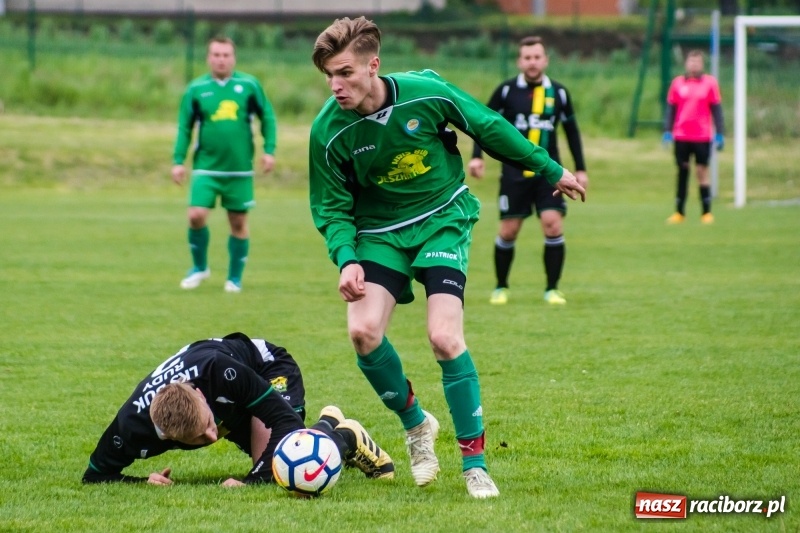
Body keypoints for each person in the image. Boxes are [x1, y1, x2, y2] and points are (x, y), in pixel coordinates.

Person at [308, 17, 586, 499]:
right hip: (379, 233)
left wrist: (548, 168)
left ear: (374, 66)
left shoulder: (425, 92)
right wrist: (346, 257)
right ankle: (417, 426)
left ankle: (474, 465)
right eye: (329, 75)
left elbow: (489, 126)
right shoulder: (327, 132)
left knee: (443, 336)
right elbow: (331, 206)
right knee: (363, 331)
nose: (336, 85)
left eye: (346, 72)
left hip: (441, 218)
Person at [82, 332, 394, 485]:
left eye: (209, 424)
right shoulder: (131, 427)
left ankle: (345, 436)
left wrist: (250, 482)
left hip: (265, 367)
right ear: (168, 438)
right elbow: (95, 476)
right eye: (201, 438)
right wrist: (143, 482)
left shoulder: (220, 371)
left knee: (282, 468)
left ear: (201, 397)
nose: (212, 436)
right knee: (275, 461)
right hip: (229, 397)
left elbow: (282, 419)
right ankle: (327, 423)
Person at [468, 36, 589, 306]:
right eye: (527, 57)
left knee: (552, 224)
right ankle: (500, 287)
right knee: (509, 230)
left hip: (550, 175)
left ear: (545, 60)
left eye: (537, 57)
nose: (532, 62)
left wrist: (580, 168)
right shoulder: (506, 91)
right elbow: (482, 125)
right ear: (519, 61)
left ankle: (552, 289)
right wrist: (477, 158)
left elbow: (572, 132)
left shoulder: (558, 93)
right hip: (514, 174)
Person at [171, 36, 278, 293]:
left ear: (234, 58)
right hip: (206, 167)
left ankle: (234, 278)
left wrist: (269, 150)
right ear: (208, 58)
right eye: (216, 55)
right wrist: (178, 161)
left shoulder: (249, 85)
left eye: (226, 55)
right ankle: (199, 268)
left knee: (238, 223)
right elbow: (185, 127)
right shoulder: (196, 89)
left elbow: (268, 118)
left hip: (239, 169)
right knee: (195, 215)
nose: (221, 59)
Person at [662, 49, 725, 225]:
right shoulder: (677, 83)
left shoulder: (710, 84)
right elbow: (671, 110)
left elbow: (717, 110)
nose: (694, 64)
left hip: (702, 136)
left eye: (697, 62)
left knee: (701, 172)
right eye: (691, 61)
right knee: (682, 171)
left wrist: (720, 133)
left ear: (702, 64)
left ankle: (706, 212)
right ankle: (679, 212)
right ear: (686, 63)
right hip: (681, 135)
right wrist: (667, 131)